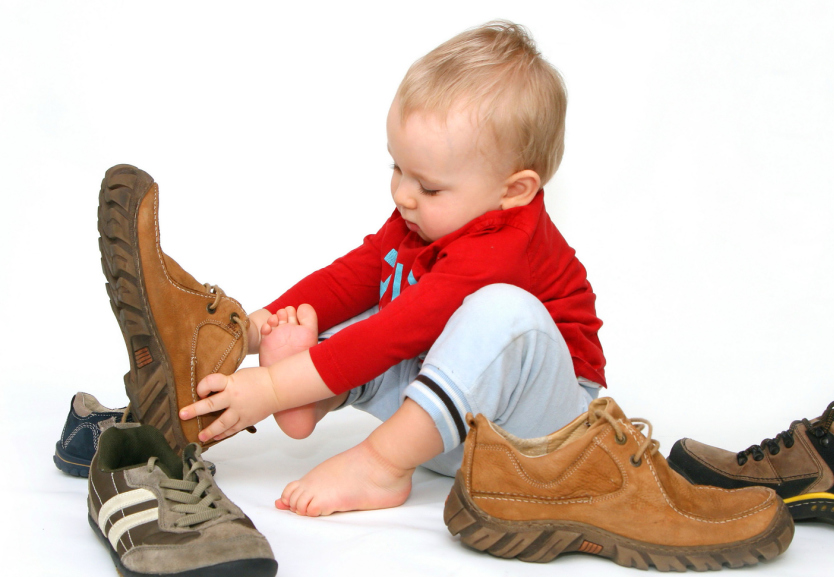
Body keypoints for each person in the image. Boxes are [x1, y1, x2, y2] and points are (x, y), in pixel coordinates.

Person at [179, 20, 607, 517]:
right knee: (369, 306)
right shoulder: (426, 218)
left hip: (540, 439)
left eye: (427, 187)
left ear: (514, 191)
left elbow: (394, 334)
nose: (403, 194)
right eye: (396, 169)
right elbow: (354, 277)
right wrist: (246, 331)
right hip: (446, 430)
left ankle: (380, 465)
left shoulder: (505, 246)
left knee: (499, 314)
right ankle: (315, 399)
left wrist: (271, 387)